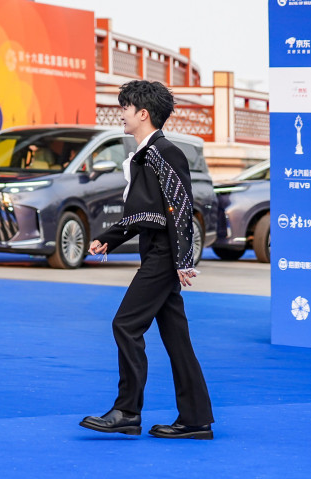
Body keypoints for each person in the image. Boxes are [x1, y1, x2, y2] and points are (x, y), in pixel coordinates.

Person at [79, 81, 214, 440]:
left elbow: (181, 208)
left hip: (162, 256)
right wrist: (109, 240)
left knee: (125, 325)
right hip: (156, 251)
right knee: (176, 338)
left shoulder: (164, 152)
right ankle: (196, 420)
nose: (120, 113)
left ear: (143, 114)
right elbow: (145, 215)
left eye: (125, 107)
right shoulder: (145, 154)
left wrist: (182, 260)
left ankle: (126, 412)